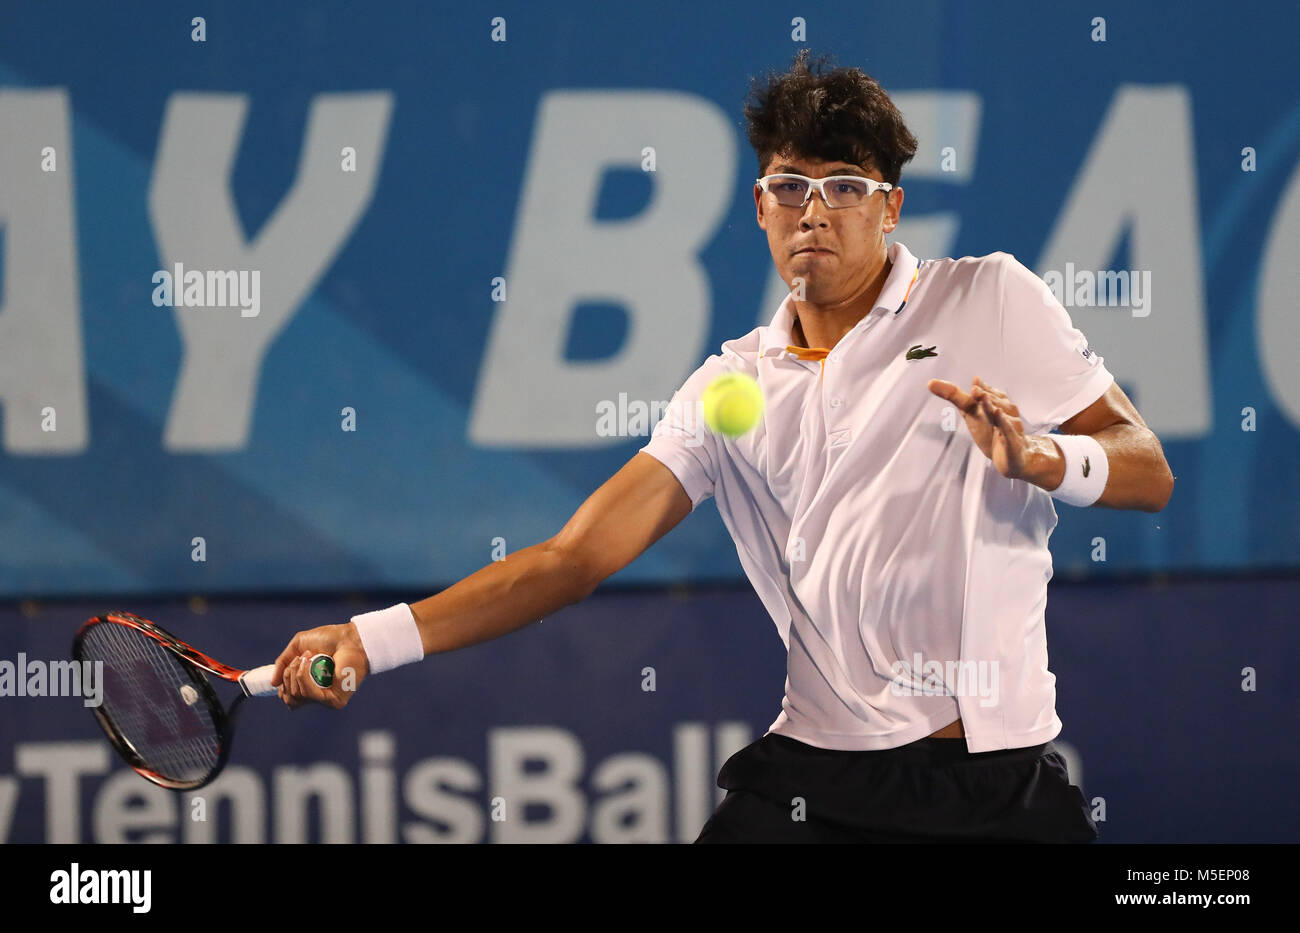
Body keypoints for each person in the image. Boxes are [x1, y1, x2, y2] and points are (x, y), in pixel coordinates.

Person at [272, 50, 1174, 843]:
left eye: (844, 188)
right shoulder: (729, 389)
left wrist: (1046, 460)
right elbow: (573, 557)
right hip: (816, 780)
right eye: (791, 187)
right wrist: (368, 637)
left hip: (995, 780)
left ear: (890, 207)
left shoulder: (989, 299)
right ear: (759, 205)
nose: (813, 212)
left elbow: (1147, 465)